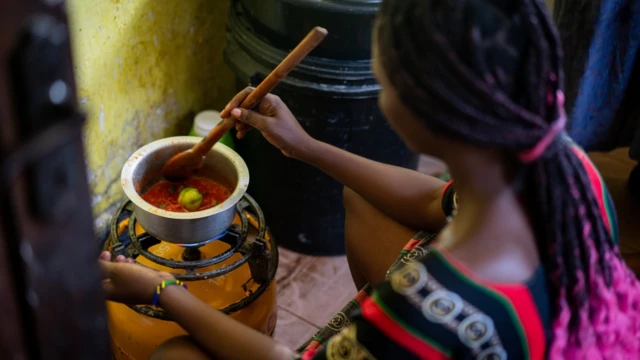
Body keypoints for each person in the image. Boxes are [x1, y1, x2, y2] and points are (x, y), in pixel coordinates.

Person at [99, 0, 640, 358]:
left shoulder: (431, 309)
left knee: (172, 354)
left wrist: (164, 289)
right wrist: (306, 147)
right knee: (363, 195)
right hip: (542, 332)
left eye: (383, 81)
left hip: (453, 338)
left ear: (420, 115)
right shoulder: (567, 164)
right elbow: (437, 200)